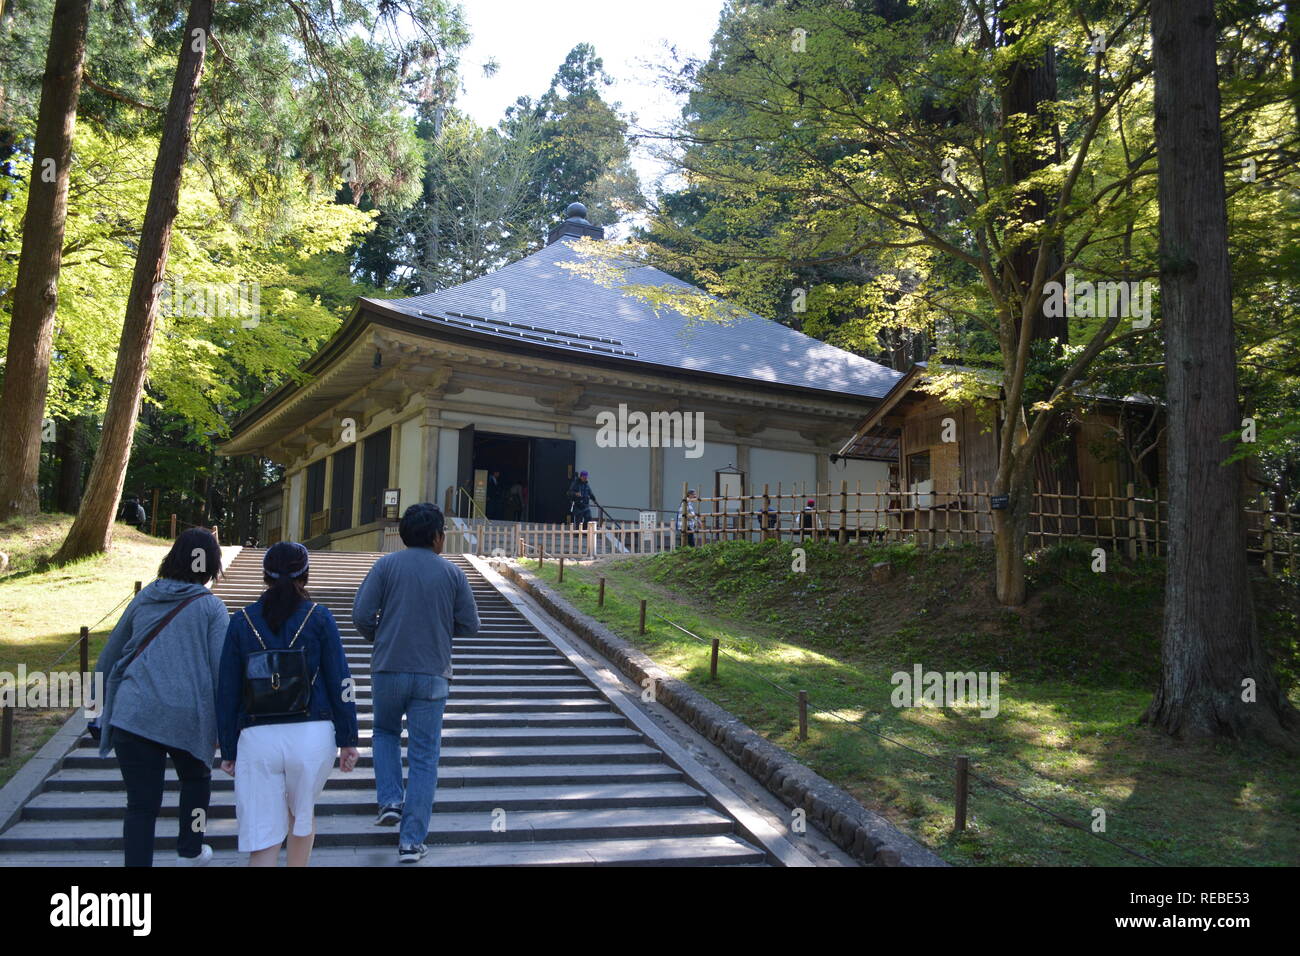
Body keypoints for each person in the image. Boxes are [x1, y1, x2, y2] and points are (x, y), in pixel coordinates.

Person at [217, 542, 359, 867]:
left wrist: (228, 748)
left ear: (264, 575)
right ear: (305, 575)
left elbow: (226, 691)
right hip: (312, 734)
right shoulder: (320, 617)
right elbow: (341, 679)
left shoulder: (240, 622)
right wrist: (349, 738)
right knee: (301, 820)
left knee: (264, 841)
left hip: (257, 737)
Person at [352, 503, 480, 863]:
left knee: (384, 733)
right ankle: (411, 842)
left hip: (388, 667)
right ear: (438, 537)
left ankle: (390, 800)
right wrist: (440, 628)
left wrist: (380, 636)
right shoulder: (453, 573)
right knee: (425, 756)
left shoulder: (386, 565)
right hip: (432, 673)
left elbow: (361, 614)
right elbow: (471, 624)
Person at [94, 528, 228, 867]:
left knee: (141, 805)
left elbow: (106, 660)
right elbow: (221, 674)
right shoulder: (212, 608)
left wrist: (93, 713)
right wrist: (225, 730)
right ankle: (191, 849)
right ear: (211, 564)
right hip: (188, 714)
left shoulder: (145, 597)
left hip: (133, 711)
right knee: (197, 782)